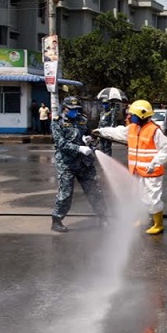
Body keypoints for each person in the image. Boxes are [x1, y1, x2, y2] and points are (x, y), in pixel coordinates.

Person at [93, 99, 167, 235]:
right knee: (138, 197)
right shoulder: (132, 128)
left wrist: (155, 162)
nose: (129, 117)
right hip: (136, 171)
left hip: (151, 172)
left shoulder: (154, 131)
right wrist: (101, 131)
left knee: (153, 199)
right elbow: (117, 132)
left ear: (142, 115)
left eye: (132, 114)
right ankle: (143, 220)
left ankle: (158, 224)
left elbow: (166, 150)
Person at [50, 96, 109, 232]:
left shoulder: (82, 120)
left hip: (84, 163)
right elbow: (60, 143)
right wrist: (79, 148)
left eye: (77, 109)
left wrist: (89, 141)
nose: (75, 112)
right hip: (67, 164)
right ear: (65, 109)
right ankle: (57, 220)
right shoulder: (57, 123)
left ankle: (103, 217)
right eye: (72, 109)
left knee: (95, 190)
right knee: (65, 194)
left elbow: (89, 136)